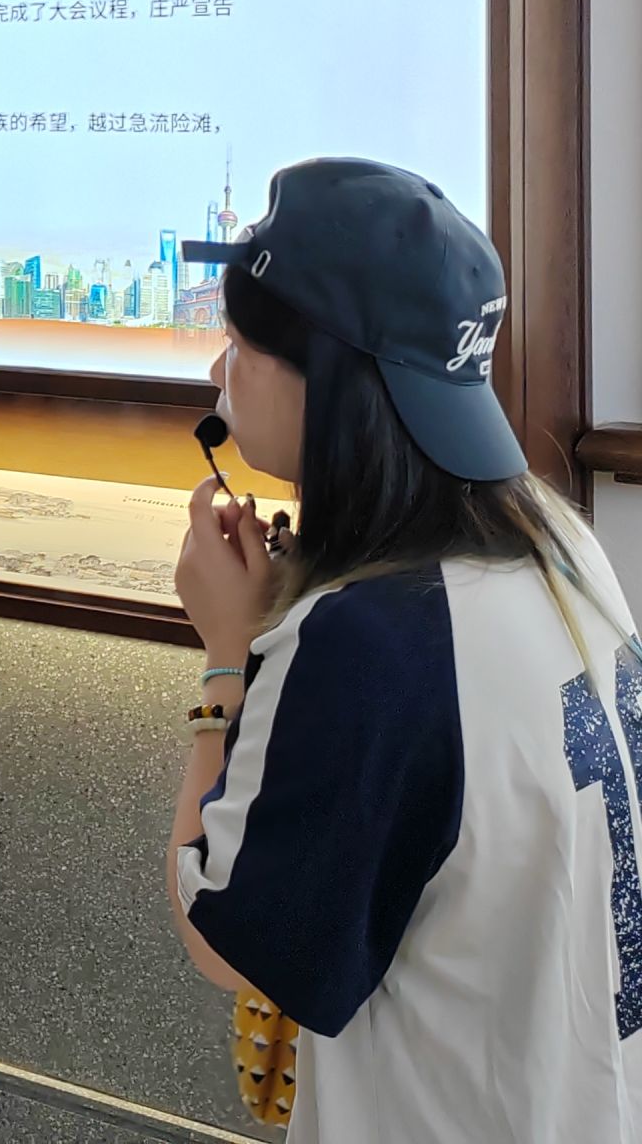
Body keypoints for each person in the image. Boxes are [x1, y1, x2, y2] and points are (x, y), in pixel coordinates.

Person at [167, 158, 642, 1143]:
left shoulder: (372, 642)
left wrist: (226, 657)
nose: (218, 372)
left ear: (327, 382)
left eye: (239, 343)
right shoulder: (562, 541)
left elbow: (231, 943)